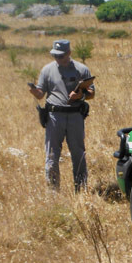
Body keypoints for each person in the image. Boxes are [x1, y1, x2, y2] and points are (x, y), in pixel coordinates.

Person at [28, 39, 95, 191]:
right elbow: (40, 94)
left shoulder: (81, 69)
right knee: (52, 154)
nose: (58, 59)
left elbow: (91, 93)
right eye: (55, 56)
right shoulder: (47, 70)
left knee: (78, 153)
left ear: (69, 53)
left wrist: (81, 96)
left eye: (61, 56)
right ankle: (53, 190)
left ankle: (81, 189)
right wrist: (34, 91)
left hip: (75, 116)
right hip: (54, 117)